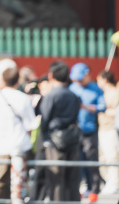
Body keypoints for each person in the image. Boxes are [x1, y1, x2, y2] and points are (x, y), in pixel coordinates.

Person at [0, 66, 37, 200]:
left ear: (2, 80)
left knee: (0, 180)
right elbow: (30, 125)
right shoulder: (23, 98)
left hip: (3, 145)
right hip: (21, 144)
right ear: (17, 81)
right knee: (20, 181)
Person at [38, 61, 81, 202]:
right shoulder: (74, 96)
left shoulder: (51, 96)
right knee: (72, 179)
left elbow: (44, 119)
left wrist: (43, 139)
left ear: (51, 75)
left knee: (56, 179)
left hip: (54, 140)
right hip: (72, 139)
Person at [69, 62, 106, 202]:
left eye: (80, 78)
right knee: (77, 160)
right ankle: (79, 188)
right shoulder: (72, 88)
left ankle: (94, 189)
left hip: (90, 130)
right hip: (74, 131)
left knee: (91, 160)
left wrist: (87, 107)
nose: (78, 81)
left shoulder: (96, 89)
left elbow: (103, 106)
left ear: (88, 75)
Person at [97, 71, 119, 194]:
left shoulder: (115, 93)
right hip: (102, 128)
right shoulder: (101, 93)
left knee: (113, 156)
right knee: (103, 158)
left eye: (98, 80)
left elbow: (118, 111)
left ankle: (115, 183)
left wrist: (101, 109)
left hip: (112, 129)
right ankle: (109, 181)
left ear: (104, 80)